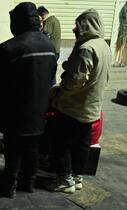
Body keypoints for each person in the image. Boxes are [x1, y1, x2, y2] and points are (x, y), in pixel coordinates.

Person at [0, 2, 56, 197]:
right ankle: (29, 183)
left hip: (15, 112)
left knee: (14, 150)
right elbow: (51, 78)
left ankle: (9, 186)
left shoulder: (10, 47)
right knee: (32, 148)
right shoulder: (49, 45)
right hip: (39, 110)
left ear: (18, 21)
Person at [44, 9, 111, 193]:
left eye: (79, 25)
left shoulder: (86, 48)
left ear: (87, 26)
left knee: (61, 143)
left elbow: (75, 80)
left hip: (74, 107)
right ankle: (77, 177)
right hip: (91, 107)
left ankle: (65, 180)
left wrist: (59, 91)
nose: (75, 29)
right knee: (81, 145)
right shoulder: (103, 46)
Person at [37, 6, 61, 87]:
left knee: (49, 74)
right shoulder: (55, 19)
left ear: (43, 14)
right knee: (52, 72)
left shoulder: (48, 21)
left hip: (51, 51)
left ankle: (50, 91)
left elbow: (46, 35)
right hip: (56, 50)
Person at [114, 2, 127, 67]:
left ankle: (119, 60)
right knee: (121, 44)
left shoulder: (124, 8)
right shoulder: (125, 9)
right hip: (123, 29)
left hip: (123, 28)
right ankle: (118, 61)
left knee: (122, 45)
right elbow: (123, 19)